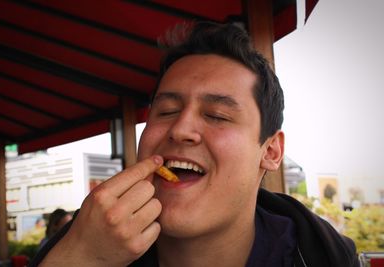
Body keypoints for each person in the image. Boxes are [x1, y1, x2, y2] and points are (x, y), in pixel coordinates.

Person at [30, 21, 359, 266]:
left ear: (270, 152)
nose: (180, 129)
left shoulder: (319, 257)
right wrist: (79, 256)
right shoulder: (77, 251)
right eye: (166, 111)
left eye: (216, 115)